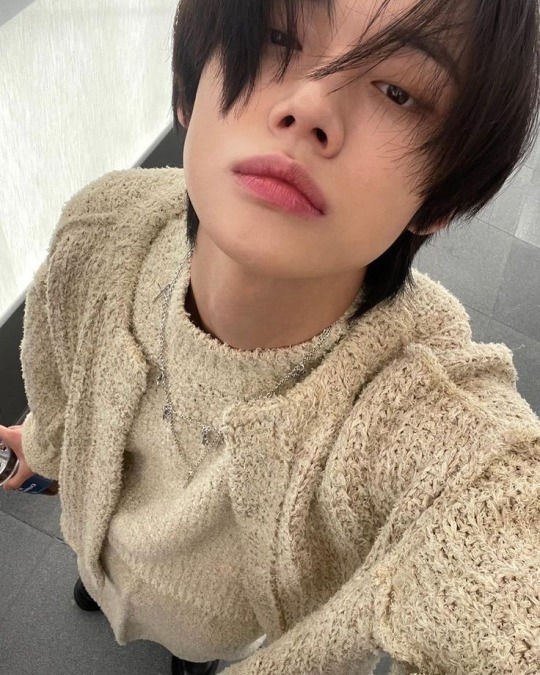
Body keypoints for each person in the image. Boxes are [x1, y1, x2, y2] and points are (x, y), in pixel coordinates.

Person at [1, 0, 539, 673]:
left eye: (397, 91)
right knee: (93, 579)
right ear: (189, 90)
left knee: (191, 654)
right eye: (277, 36)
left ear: (442, 196)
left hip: (213, 634)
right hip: (92, 536)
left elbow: (502, 543)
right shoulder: (103, 226)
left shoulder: (424, 414)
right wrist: (46, 445)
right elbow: (53, 371)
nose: (309, 107)